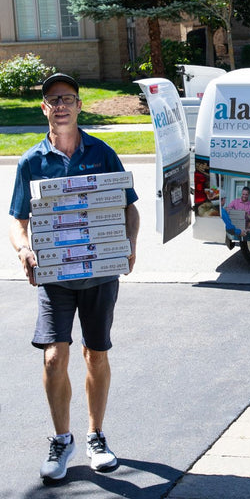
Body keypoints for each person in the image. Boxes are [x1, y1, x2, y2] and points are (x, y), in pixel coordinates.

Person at [8, 73, 140, 482]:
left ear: (79, 105)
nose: (61, 105)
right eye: (53, 99)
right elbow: (18, 220)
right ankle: (61, 439)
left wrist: (130, 244)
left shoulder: (102, 153)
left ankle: (96, 436)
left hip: (99, 274)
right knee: (53, 357)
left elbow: (128, 208)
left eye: (68, 98)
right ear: (44, 108)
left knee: (95, 354)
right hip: (55, 277)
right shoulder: (32, 161)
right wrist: (24, 249)